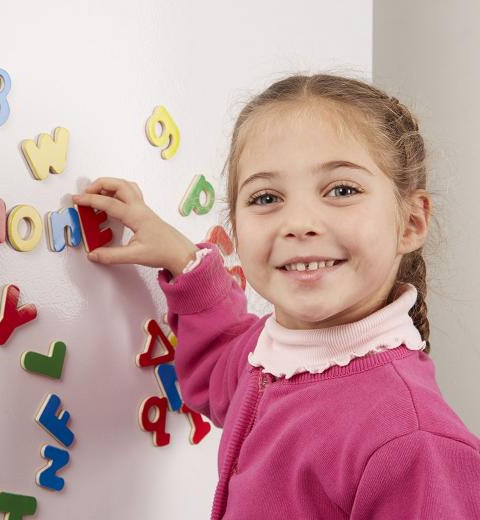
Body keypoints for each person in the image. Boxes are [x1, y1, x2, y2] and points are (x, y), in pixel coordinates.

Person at [72, 73, 480, 519]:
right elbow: (219, 363)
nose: (299, 222)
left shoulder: (415, 443)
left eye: (342, 190)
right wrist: (182, 259)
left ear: (411, 223)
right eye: (266, 198)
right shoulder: (272, 357)